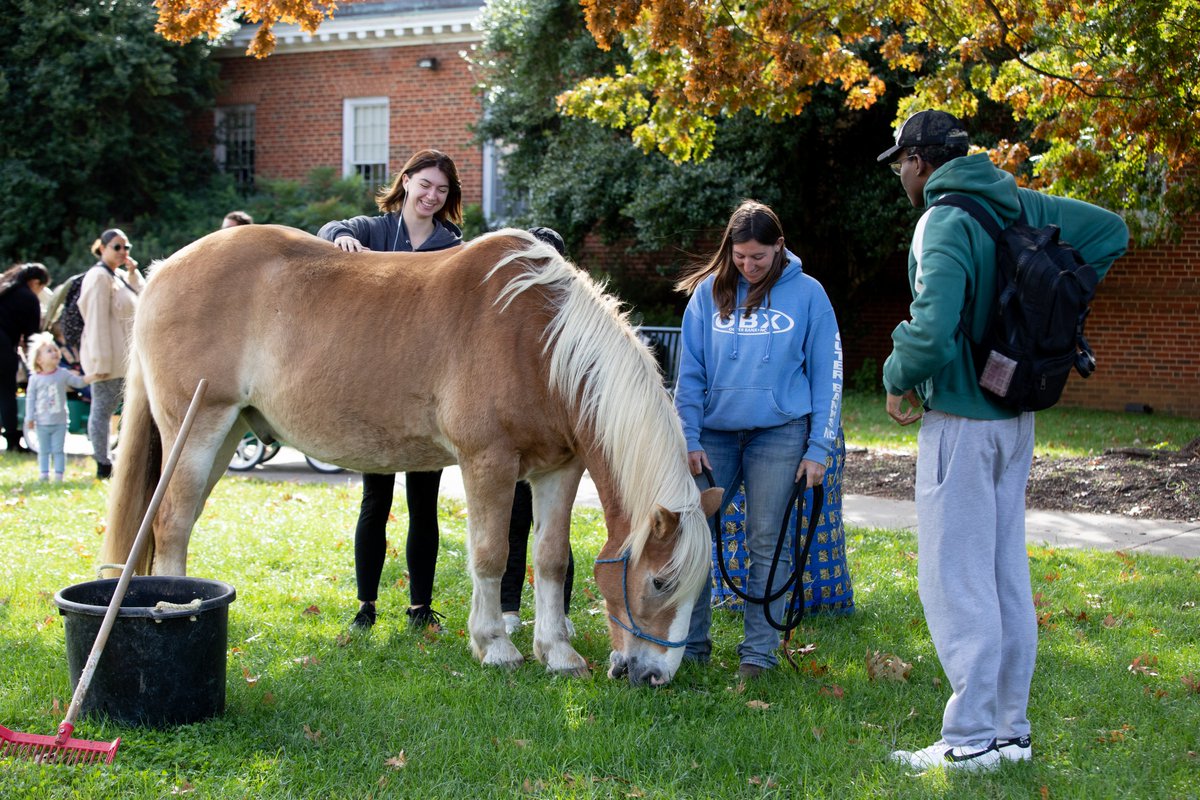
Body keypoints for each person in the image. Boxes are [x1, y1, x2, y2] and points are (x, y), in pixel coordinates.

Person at [877, 110, 1128, 771]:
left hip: (960, 421)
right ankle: (1010, 732)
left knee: (956, 580)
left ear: (921, 161)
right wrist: (1052, 308)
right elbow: (1109, 233)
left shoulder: (942, 221)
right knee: (1002, 576)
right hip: (1015, 416)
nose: (899, 174)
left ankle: (969, 740)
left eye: (900, 162)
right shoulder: (1014, 202)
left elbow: (929, 334)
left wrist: (896, 375)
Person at [674, 200, 843, 680]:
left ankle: (758, 655)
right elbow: (688, 375)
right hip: (713, 436)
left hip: (780, 432)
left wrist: (818, 449)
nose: (748, 267)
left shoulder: (809, 295)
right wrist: (688, 436)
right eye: (740, 257)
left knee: (767, 540)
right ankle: (692, 645)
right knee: (696, 540)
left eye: (758, 258)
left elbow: (828, 375)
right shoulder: (707, 295)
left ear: (779, 248)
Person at [318, 149, 464, 632]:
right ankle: (366, 605)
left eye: (441, 189)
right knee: (374, 502)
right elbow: (326, 231)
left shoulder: (452, 244)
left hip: (427, 389)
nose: (431, 195)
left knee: (425, 505)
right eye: (425, 184)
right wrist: (340, 238)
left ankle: (421, 606)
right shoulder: (374, 229)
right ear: (405, 181)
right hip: (377, 386)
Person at [498, 226, 576, 636]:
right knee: (511, 523)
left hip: (555, 437)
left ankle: (558, 612)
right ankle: (508, 608)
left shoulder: (573, 315)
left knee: (555, 528)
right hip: (517, 436)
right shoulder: (508, 315)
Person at [78, 228, 143, 479]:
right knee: (103, 411)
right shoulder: (98, 277)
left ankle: (117, 460)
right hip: (108, 360)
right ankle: (103, 462)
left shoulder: (116, 276)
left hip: (124, 359)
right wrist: (100, 360)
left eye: (126, 247)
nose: (123, 252)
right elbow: (95, 320)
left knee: (121, 411)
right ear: (102, 248)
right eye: (117, 247)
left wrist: (132, 271)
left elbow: (141, 297)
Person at [23, 333, 92, 481]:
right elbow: (31, 399)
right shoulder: (35, 379)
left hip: (60, 422)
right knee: (43, 450)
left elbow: (78, 383)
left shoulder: (62, 374)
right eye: (49, 351)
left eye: (55, 349)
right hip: (41, 422)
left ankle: (59, 475)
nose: (54, 352)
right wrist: (30, 418)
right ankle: (44, 474)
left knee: (58, 450)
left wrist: (91, 378)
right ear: (39, 360)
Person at [0, 262, 50, 453]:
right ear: (35, 282)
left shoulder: (4, 288)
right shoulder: (29, 298)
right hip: (3, 346)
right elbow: (32, 338)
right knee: (6, 393)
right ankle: (12, 440)